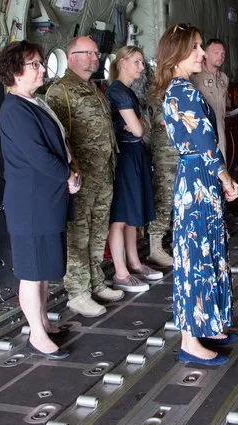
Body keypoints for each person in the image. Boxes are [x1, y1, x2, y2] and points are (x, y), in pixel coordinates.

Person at [153, 23, 238, 366]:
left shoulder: (179, 89)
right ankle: (191, 340)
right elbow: (205, 142)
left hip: (197, 177)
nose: (202, 54)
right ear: (177, 54)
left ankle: (211, 323)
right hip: (199, 177)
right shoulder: (184, 92)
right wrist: (226, 176)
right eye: (196, 48)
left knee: (209, 249)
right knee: (197, 257)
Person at [0, 40, 79, 359]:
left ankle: (43, 320)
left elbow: (57, 144)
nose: (43, 68)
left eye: (41, 63)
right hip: (30, 204)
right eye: (35, 64)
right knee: (31, 272)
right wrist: (67, 175)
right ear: (16, 72)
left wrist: (71, 169)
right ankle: (36, 334)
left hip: (45, 201)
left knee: (42, 268)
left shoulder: (34, 103)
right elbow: (38, 156)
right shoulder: (14, 109)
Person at [46, 36, 123, 318]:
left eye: (96, 53)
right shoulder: (61, 91)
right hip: (80, 177)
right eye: (88, 53)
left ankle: (96, 281)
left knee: (98, 231)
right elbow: (58, 138)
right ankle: (78, 292)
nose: (95, 57)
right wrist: (71, 171)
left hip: (103, 173)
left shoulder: (93, 88)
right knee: (78, 234)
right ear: (72, 56)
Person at [105, 46, 162, 291]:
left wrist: (140, 125)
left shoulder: (127, 93)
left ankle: (135, 263)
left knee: (131, 216)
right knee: (119, 217)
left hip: (134, 153)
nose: (141, 67)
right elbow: (140, 130)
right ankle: (120, 272)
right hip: (125, 155)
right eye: (137, 62)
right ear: (123, 62)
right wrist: (140, 126)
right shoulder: (118, 92)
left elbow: (142, 127)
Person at [146, 92, 177, 267]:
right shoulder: (156, 95)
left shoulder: (178, 92)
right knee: (163, 200)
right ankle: (155, 248)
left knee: (179, 201)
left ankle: (176, 241)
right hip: (164, 155)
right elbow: (163, 120)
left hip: (180, 153)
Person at [191, 38, 229, 161]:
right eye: (216, 53)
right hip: (202, 132)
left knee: (222, 166)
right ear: (205, 54)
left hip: (220, 131)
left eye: (223, 54)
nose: (221, 56)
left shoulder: (224, 78)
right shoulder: (195, 76)